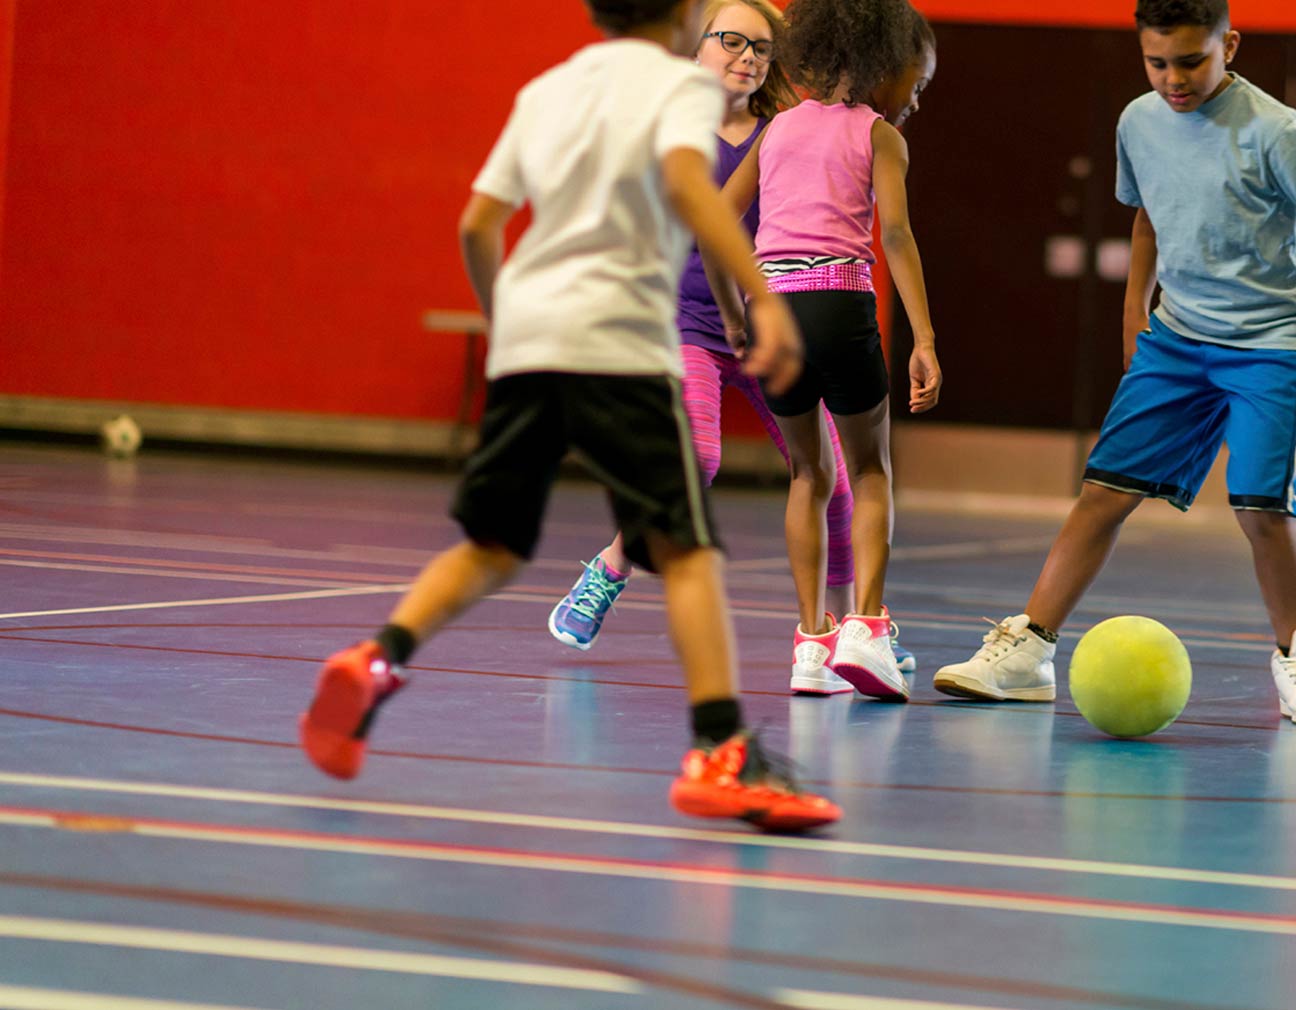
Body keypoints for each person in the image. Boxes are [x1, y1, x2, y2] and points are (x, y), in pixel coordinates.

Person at [297, 0, 840, 832]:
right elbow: (694, 194)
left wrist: (500, 318)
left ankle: (377, 658)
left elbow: (479, 223)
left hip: (528, 338)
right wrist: (762, 300)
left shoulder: (546, 90)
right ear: (684, 19)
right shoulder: (677, 91)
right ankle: (720, 752)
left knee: (491, 546)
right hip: (618, 343)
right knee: (688, 552)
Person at [930, 0, 1296, 726]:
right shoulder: (1137, 121)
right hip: (1178, 337)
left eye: (1191, 61)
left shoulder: (1275, 129)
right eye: (1158, 63)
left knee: (1261, 505)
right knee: (1102, 492)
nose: (1174, 79)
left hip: (1272, 340)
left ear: (1229, 46)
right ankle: (1027, 651)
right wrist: (1135, 317)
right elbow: (1147, 215)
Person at [543, 0, 914, 693]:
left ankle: (845, 632)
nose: (748, 56)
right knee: (701, 458)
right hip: (689, 327)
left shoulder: (781, 133)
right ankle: (612, 567)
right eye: (732, 41)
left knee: (830, 482)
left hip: (769, 328)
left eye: (764, 48)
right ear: (697, 47)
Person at [723, 0, 940, 702]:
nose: (915, 96)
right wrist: (925, 340)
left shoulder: (776, 128)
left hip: (771, 312)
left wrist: (736, 314)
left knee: (807, 476)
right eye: (917, 80)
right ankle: (866, 628)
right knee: (871, 470)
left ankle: (811, 646)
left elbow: (717, 222)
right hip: (839, 303)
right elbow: (897, 239)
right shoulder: (880, 137)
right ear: (885, 63)